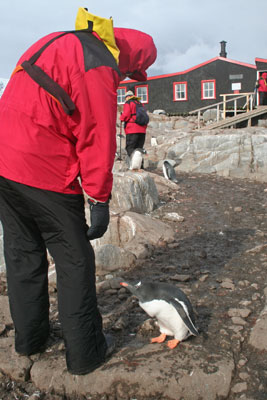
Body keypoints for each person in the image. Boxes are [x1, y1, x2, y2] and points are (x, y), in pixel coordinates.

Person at [0, 7, 157, 375]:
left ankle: (31, 340)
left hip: (4, 163)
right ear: (130, 56)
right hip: (45, 169)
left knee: (23, 253)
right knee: (75, 261)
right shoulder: (98, 65)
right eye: (132, 70)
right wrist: (99, 200)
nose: (127, 76)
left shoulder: (55, 41)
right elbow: (96, 139)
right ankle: (86, 354)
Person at [120, 90, 148, 158]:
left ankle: (133, 165)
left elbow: (126, 114)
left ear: (127, 97)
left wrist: (121, 118)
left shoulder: (129, 103)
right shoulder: (140, 103)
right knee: (139, 149)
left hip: (132, 130)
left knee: (130, 148)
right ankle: (141, 166)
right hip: (142, 130)